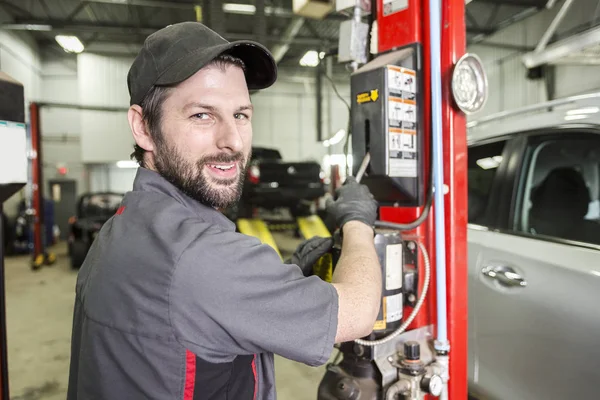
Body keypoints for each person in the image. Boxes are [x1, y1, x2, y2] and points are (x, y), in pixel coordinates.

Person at [67, 21, 382, 400]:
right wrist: (358, 223)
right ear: (143, 127)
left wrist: (279, 281)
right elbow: (358, 312)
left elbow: (187, 309)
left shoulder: (122, 228)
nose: (232, 140)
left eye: (241, 115)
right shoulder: (202, 256)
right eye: (202, 115)